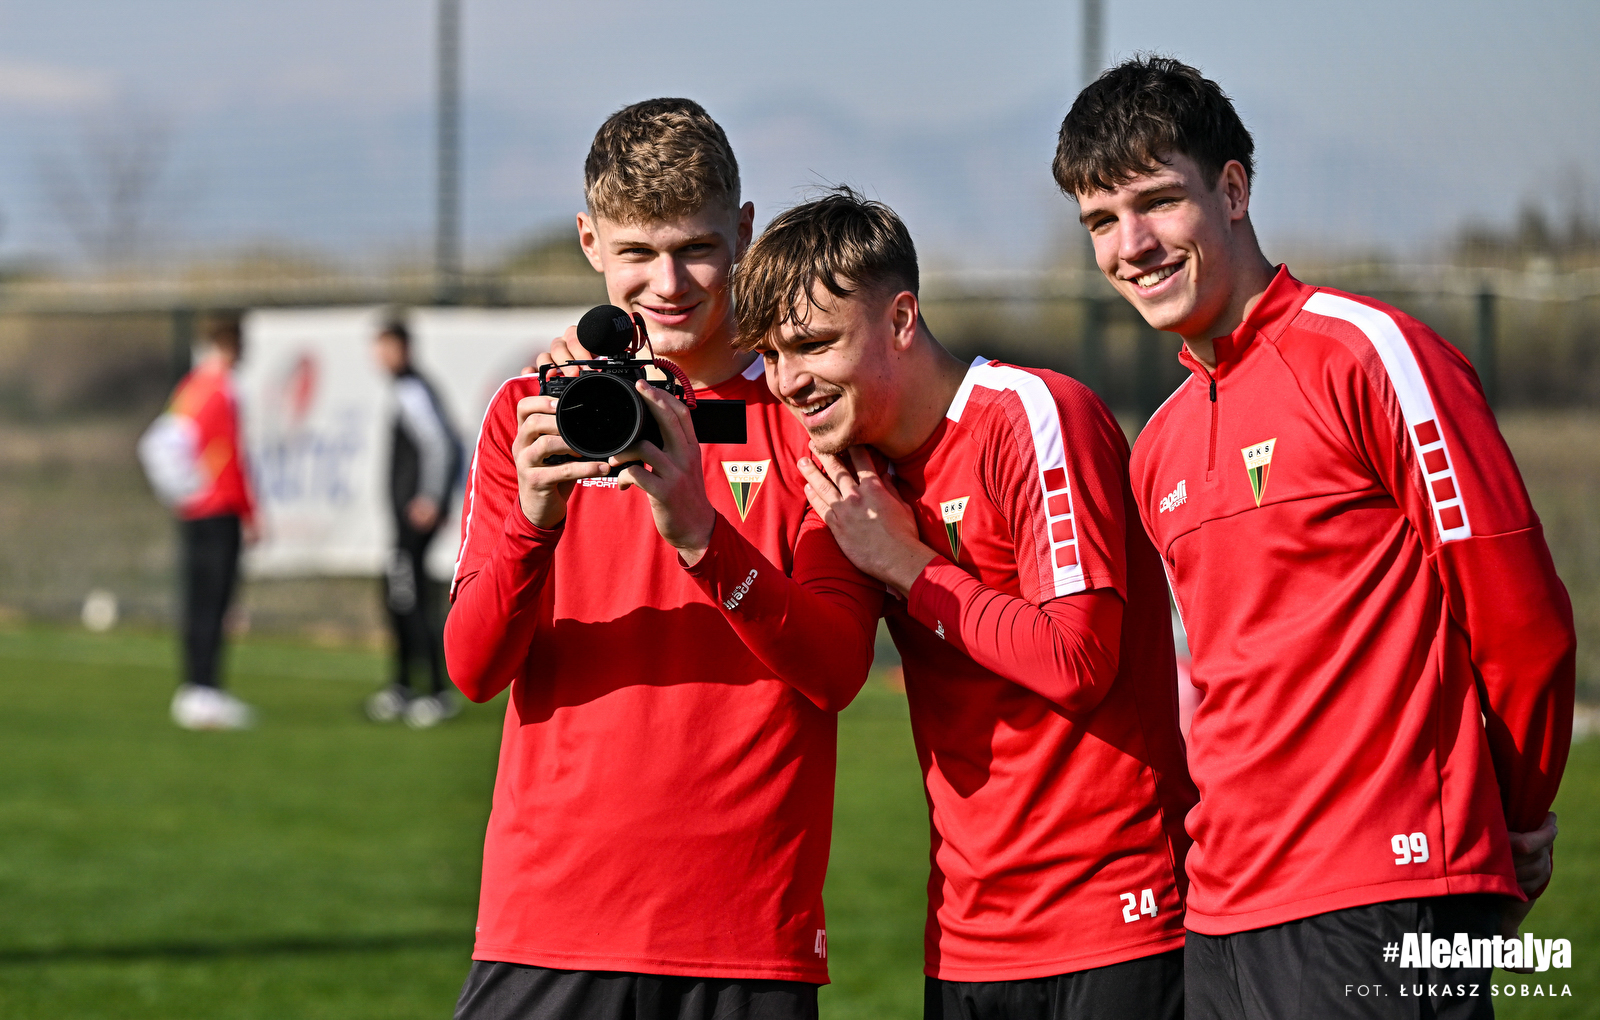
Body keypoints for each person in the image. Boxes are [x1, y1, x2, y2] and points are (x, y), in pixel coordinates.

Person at [1054, 56, 1576, 1019]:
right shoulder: (1157, 446)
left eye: (1158, 202)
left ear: (1233, 189)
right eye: (1100, 220)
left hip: (1385, 894)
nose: (1132, 245)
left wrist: (1513, 818)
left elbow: (1521, 623)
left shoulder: (1371, 355)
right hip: (1221, 915)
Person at [442, 99, 882, 1020]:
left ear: (745, 232)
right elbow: (474, 670)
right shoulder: (532, 413)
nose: (669, 283)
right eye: (638, 252)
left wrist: (702, 537)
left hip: (745, 937)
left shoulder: (809, 413)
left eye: (697, 248)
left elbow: (837, 669)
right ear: (590, 242)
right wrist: (533, 523)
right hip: (548, 924)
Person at [732, 187, 1196, 1020]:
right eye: (771, 354)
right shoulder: (856, 469)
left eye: (814, 344)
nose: (789, 381)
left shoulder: (1031, 415)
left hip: (1115, 919)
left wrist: (904, 565)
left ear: (901, 319)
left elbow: (1078, 660)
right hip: (965, 935)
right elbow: (699, 417)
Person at [139, 313, 258, 731]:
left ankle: (199, 690)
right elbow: (163, 445)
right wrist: (201, 492)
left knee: (201, 602)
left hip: (200, 511)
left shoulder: (193, 388)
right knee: (213, 602)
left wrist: (186, 493)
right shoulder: (215, 391)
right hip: (217, 510)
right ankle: (204, 691)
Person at [365, 321, 464, 729]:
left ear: (403, 348)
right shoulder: (405, 388)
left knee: (412, 599)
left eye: (387, 347)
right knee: (399, 597)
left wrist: (430, 497)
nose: (380, 356)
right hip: (404, 518)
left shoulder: (412, 389)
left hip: (413, 519)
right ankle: (403, 686)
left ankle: (437, 692)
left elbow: (441, 443)